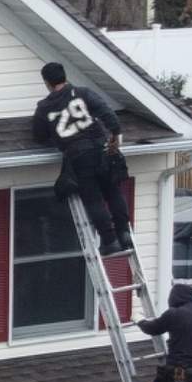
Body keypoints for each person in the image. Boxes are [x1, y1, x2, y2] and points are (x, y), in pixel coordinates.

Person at [27, 61, 133, 255]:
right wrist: (115, 137)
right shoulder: (83, 93)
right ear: (64, 76)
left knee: (93, 199)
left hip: (79, 156)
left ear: (47, 83)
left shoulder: (44, 108)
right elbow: (107, 113)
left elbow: (39, 135)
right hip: (102, 149)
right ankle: (124, 233)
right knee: (113, 191)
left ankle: (110, 240)